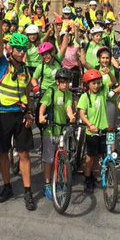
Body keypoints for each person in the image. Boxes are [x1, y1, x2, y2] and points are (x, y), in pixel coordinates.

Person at [0, 13, 37, 210]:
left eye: (23, 49)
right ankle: (7, 186)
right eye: (18, 49)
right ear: (12, 50)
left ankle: (27, 192)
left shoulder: (26, 71)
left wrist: (30, 114)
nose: (21, 52)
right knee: (3, 152)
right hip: (2, 115)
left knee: (24, 154)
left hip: (20, 115)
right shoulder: (3, 64)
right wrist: (0, 21)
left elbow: (28, 96)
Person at [38, 68, 75, 201]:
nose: (65, 84)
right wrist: (41, 116)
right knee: (48, 159)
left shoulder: (69, 94)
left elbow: (68, 107)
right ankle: (47, 184)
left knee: (62, 157)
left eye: (67, 82)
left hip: (62, 130)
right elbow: (43, 104)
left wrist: (71, 116)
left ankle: (62, 181)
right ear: (57, 82)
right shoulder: (51, 91)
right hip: (50, 130)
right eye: (62, 82)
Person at [77, 69, 110, 194]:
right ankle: (87, 178)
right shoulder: (85, 97)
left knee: (98, 156)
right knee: (90, 158)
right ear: (87, 85)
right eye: (93, 83)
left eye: (98, 83)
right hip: (92, 132)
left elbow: (113, 82)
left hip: (103, 130)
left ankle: (94, 176)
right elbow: (82, 113)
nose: (96, 85)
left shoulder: (103, 92)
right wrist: (89, 124)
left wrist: (108, 73)